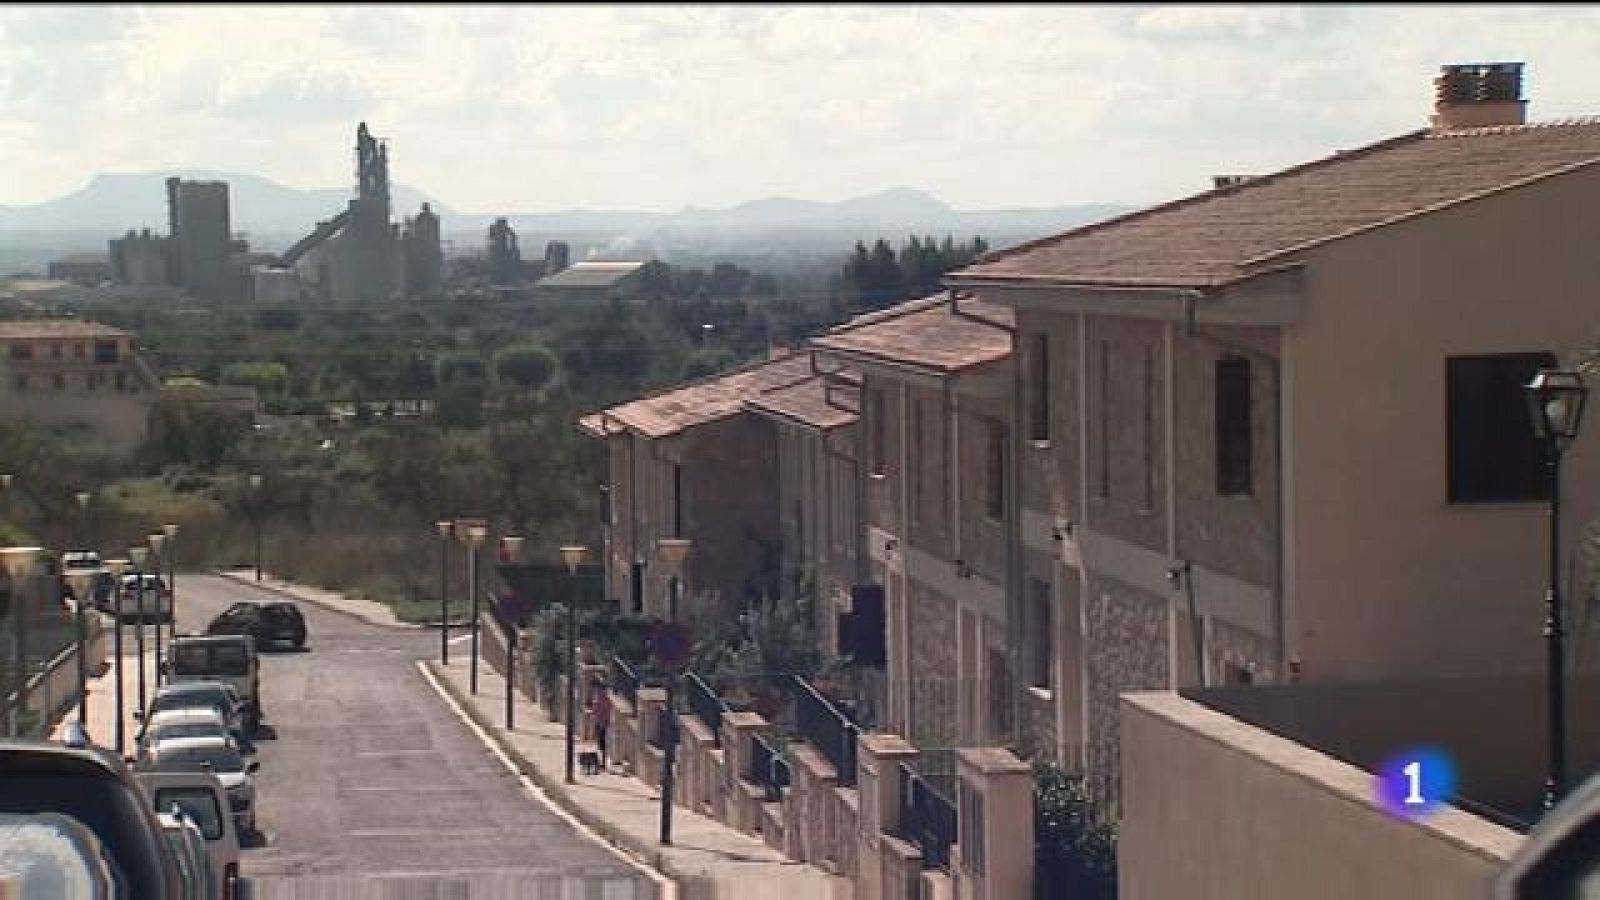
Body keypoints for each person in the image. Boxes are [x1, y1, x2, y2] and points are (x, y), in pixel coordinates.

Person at [590, 678, 612, 768]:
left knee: (602, 742)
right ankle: (601, 761)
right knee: (599, 742)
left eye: (594, 687)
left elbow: (606, 709)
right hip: (598, 722)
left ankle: (603, 762)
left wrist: (604, 720)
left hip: (602, 723)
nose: (593, 689)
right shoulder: (597, 695)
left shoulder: (602, 696)